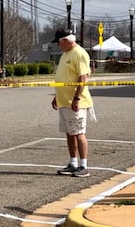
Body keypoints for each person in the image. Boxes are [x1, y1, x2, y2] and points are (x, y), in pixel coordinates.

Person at [50, 28, 95, 178]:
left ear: (65, 41)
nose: (58, 45)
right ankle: (73, 162)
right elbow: (63, 77)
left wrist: (76, 98)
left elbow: (83, 79)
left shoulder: (79, 53)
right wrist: (57, 96)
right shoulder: (65, 54)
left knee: (79, 133)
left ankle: (84, 165)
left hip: (76, 102)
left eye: (58, 42)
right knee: (69, 133)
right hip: (64, 100)